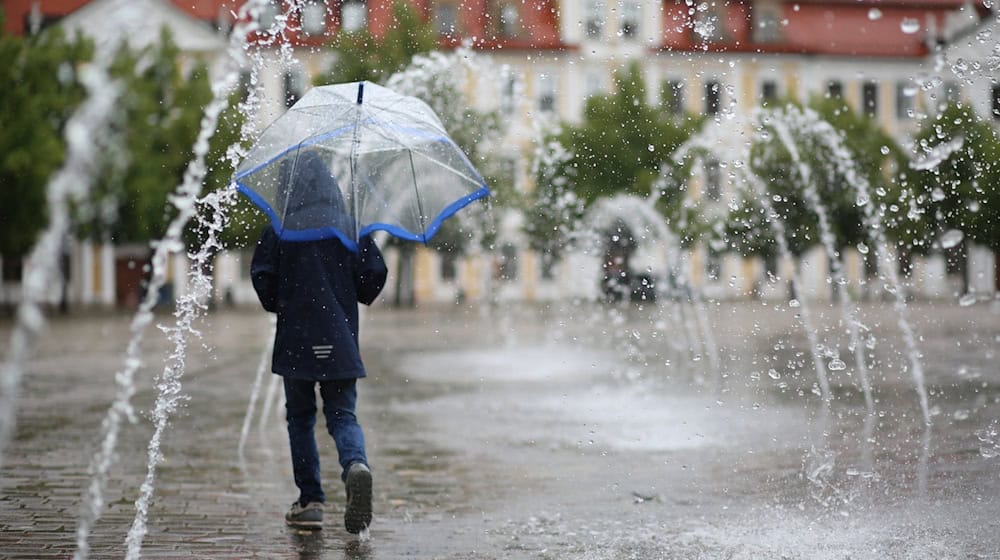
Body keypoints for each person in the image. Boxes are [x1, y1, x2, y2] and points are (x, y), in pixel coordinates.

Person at [250, 150, 388, 533]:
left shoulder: (280, 227)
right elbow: (373, 276)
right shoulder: (348, 226)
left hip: (296, 338)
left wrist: (283, 300)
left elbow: (263, 277)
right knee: (342, 414)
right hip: (340, 340)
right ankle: (355, 465)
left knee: (300, 418)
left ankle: (310, 501)